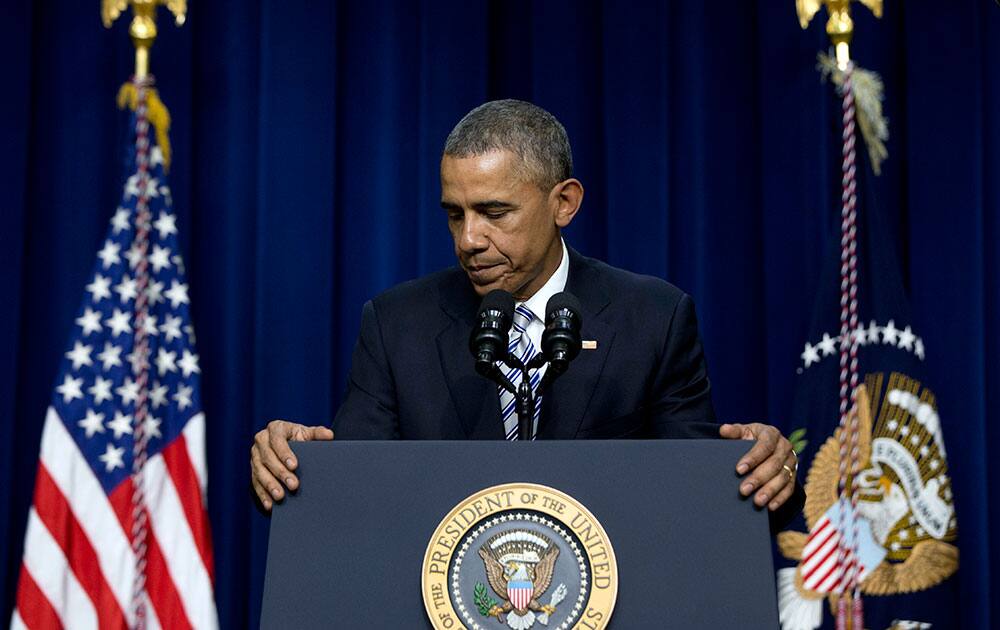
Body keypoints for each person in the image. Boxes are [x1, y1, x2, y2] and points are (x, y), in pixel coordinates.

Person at [250, 99, 803, 525]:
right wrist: (291, 466)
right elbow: (352, 501)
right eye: (455, 214)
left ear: (564, 202)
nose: (469, 239)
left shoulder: (653, 318)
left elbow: (699, 499)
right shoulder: (398, 324)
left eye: (494, 212)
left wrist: (766, 472)